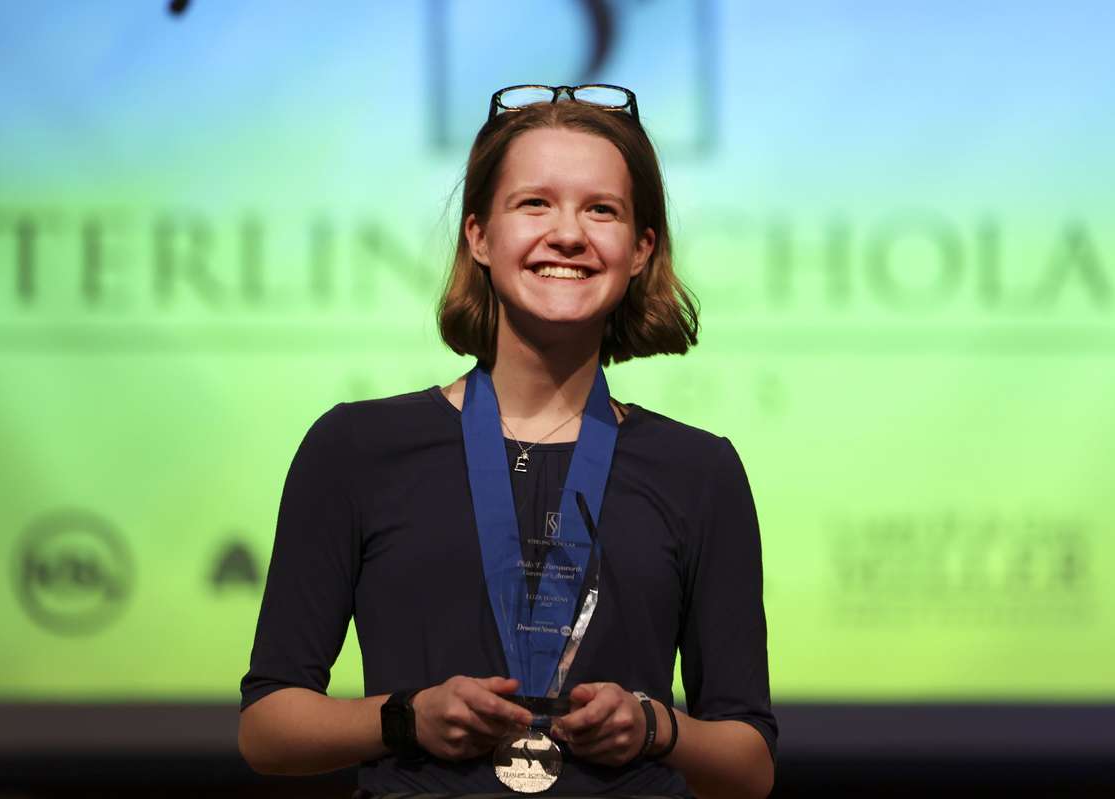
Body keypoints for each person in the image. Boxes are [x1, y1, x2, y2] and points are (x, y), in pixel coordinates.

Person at [238, 84, 778, 799]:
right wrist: (406, 717)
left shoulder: (699, 470)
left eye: (602, 209)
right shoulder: (357, 449)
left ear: (640, 249)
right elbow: (267, 729)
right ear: (479, 236)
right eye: (535, 204)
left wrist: (656, 726)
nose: (568, 233)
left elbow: (749, 766)